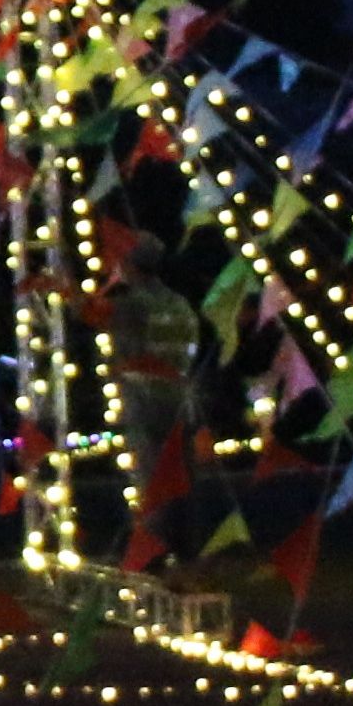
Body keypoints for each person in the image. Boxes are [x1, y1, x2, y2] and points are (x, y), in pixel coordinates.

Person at [100, 225, 202, 580]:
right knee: (181, 477)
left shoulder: (130, 305)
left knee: (149, 478)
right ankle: (186, 549)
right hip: (180, 399)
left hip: (144, 401)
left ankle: (152, 553)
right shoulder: (180, 304)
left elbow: (125, 355)